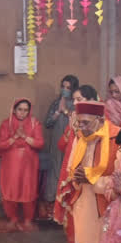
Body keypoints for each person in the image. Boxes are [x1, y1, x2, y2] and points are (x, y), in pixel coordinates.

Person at [57, 101, 119, 243]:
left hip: (107, 200)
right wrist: (75, 177)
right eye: (78, 123)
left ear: (100, 120)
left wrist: (93, 179)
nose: (81, 128)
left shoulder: (116, 138)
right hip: (83, 197)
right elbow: (71, 166)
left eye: (85, 123)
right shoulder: (80, 137)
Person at [54, 84, 99, 243]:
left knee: (88, 215)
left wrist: (79, 131)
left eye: (79, 99)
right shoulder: (75, 117)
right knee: (73, 211)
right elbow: (61, 145)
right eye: (74, 99)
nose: (75, 102)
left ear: (92, 100)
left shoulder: (99, 120)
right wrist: (71, 131)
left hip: (89, 171)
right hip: (70, 168)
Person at [0, 99, 45, 230]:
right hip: (10, 164)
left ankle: (28, 220)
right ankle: (13, 218)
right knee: (10, 190)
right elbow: (1, 145)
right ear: (14, 109)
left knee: (28, 191)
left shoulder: (35, 124)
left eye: (25, 110)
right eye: (20, 109)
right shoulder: (6, 124)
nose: (22, 113)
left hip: (28, 165)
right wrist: (14, 138)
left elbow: (40, 144)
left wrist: (24, 137)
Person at [44, 75, 80, 208]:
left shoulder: (77, 104)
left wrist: (65, 110)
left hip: (72, 143)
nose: (65, 90)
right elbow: (47, 123)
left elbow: (78, 120)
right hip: (56, 143)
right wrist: (57, 112)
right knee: (55, 169)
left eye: (68, 88)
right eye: (63, 87)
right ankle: (52, 201)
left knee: (68, 169)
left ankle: (66, 202)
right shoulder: (55, 103)